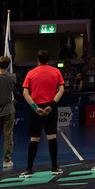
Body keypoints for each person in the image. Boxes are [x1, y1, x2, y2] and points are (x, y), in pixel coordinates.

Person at [20, 49, 65, 177]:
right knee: (52, 137)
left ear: (37, 60)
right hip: (50, 108)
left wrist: (35, 107)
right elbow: (61, 90)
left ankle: (29, 170)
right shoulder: (56, 71)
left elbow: (25, 93)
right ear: (48, 59)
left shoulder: (30, 73)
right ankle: (54, 167)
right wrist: (52, 105)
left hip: (36, 110)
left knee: (34, 139)